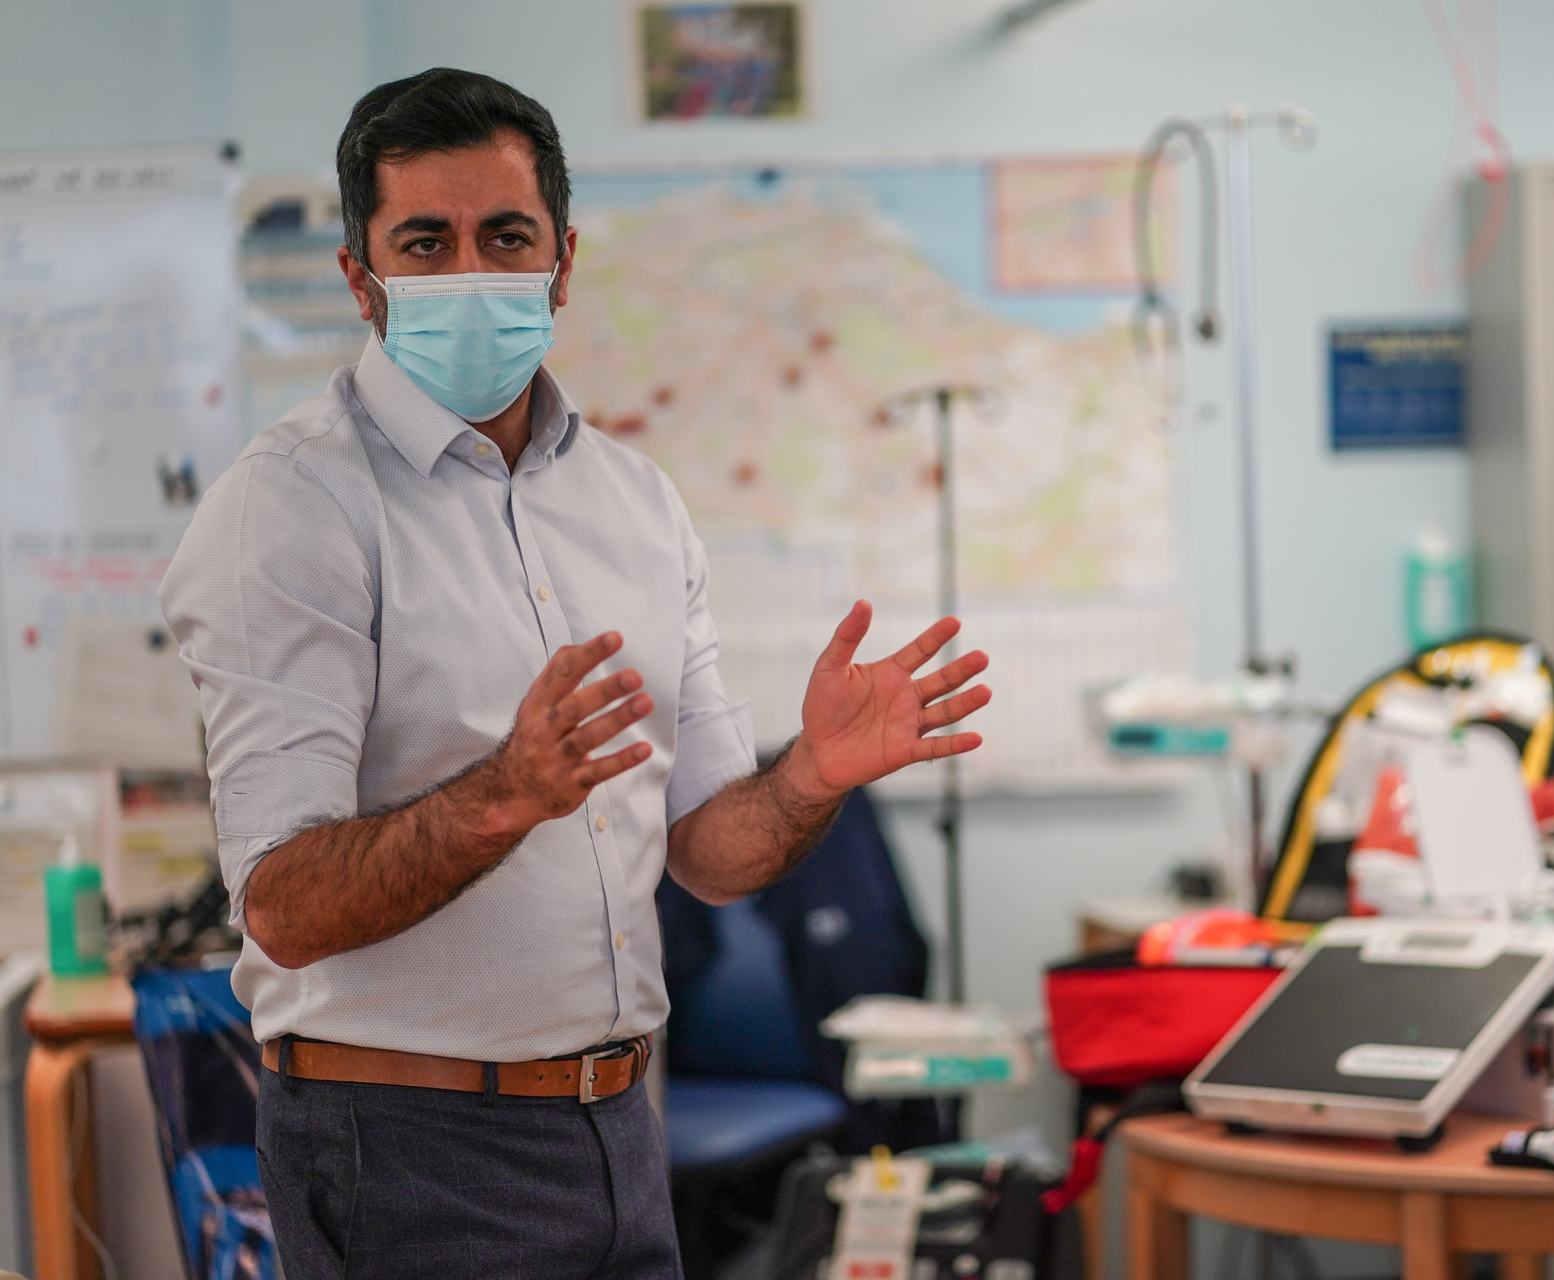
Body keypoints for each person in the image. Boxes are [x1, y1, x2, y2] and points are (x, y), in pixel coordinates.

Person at [160, 66, 991, 1280]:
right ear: (361, 278)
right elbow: (283, 905)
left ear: (561, 261)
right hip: (402, 1141)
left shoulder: (634, 502)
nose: (471, 274)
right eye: (424, 243)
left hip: (615, 1121)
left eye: (505, 237)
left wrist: (814, 774)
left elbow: (711, 853)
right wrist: (509, 790)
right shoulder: (288, 511)